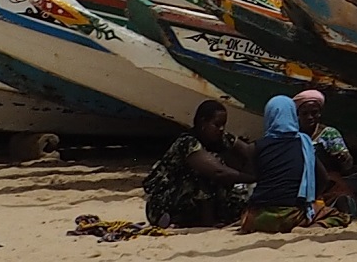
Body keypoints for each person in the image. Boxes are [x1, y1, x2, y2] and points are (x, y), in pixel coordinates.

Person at [141, 100, 249, 230]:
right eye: (216, 125)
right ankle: (205, 221)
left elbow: (248, 151)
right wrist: (251, 177)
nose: (221, 129)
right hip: (163, 203)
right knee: (204, 171)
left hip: (190, 202)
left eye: (223, 125)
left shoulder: (220, 139)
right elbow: (218, 172)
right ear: (203, 122)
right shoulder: (187, 143)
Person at [243, 95, 337, 231]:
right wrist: (311, 199)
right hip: (291, 215)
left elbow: (253, 177)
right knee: (337, 215)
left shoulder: (255, 147)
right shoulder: (303, 143)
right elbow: (323, 178)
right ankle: (313, 226)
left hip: (256, 217)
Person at [291, 90, 357, 220]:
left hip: (329, 184)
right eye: (305, 114)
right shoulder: (294, 136)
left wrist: (344, 158)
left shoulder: (329, 133)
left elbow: (348, 164)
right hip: (303, 186)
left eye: (314, 113)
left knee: (342, 201)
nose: (310, 117)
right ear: (297, 115)